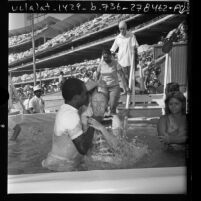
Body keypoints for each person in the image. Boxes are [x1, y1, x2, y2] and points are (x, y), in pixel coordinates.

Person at [42, 78, 97, 172]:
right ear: (76, 97)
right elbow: (83, 148)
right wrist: (94, 122)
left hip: (57, 164)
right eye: (84, 93)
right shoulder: (70, 115)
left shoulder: (67, 110)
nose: (86, 95)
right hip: (59, 168)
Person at [82, 90, 148, 168]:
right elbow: (85, 148)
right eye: (95, 101)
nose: (98, 105)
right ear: (91, 104)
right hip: (93, 161)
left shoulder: (113, 119)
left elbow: (116, 146)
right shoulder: (85, 119)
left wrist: (101, 128)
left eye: (102, 101)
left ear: (106, 105)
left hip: (112, 161)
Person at [95, 49, 130, 114]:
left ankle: (112, 120)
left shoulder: (115, 63)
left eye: (107, 57)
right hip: (103, 87)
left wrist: (126, 87)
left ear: (110, 56)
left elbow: (122, 75)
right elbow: (97, 75)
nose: (105, 59)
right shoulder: (101, 64)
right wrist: (95, 86)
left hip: (114, 87)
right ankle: (105, 120)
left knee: (112, 105)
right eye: (104, 57)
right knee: (102, 105)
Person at [110, 20, 139, 94]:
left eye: (123, 28)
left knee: (130, 78)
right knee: (123, 78)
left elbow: (135, 45)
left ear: (126, 28)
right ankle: (126, 91)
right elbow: (113, 49)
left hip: (129, 60)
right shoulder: (118, 38)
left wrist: (134, 51)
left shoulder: (131, 35)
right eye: (120, 29)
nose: (122, 30)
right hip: (121, 61)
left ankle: (132, 93)